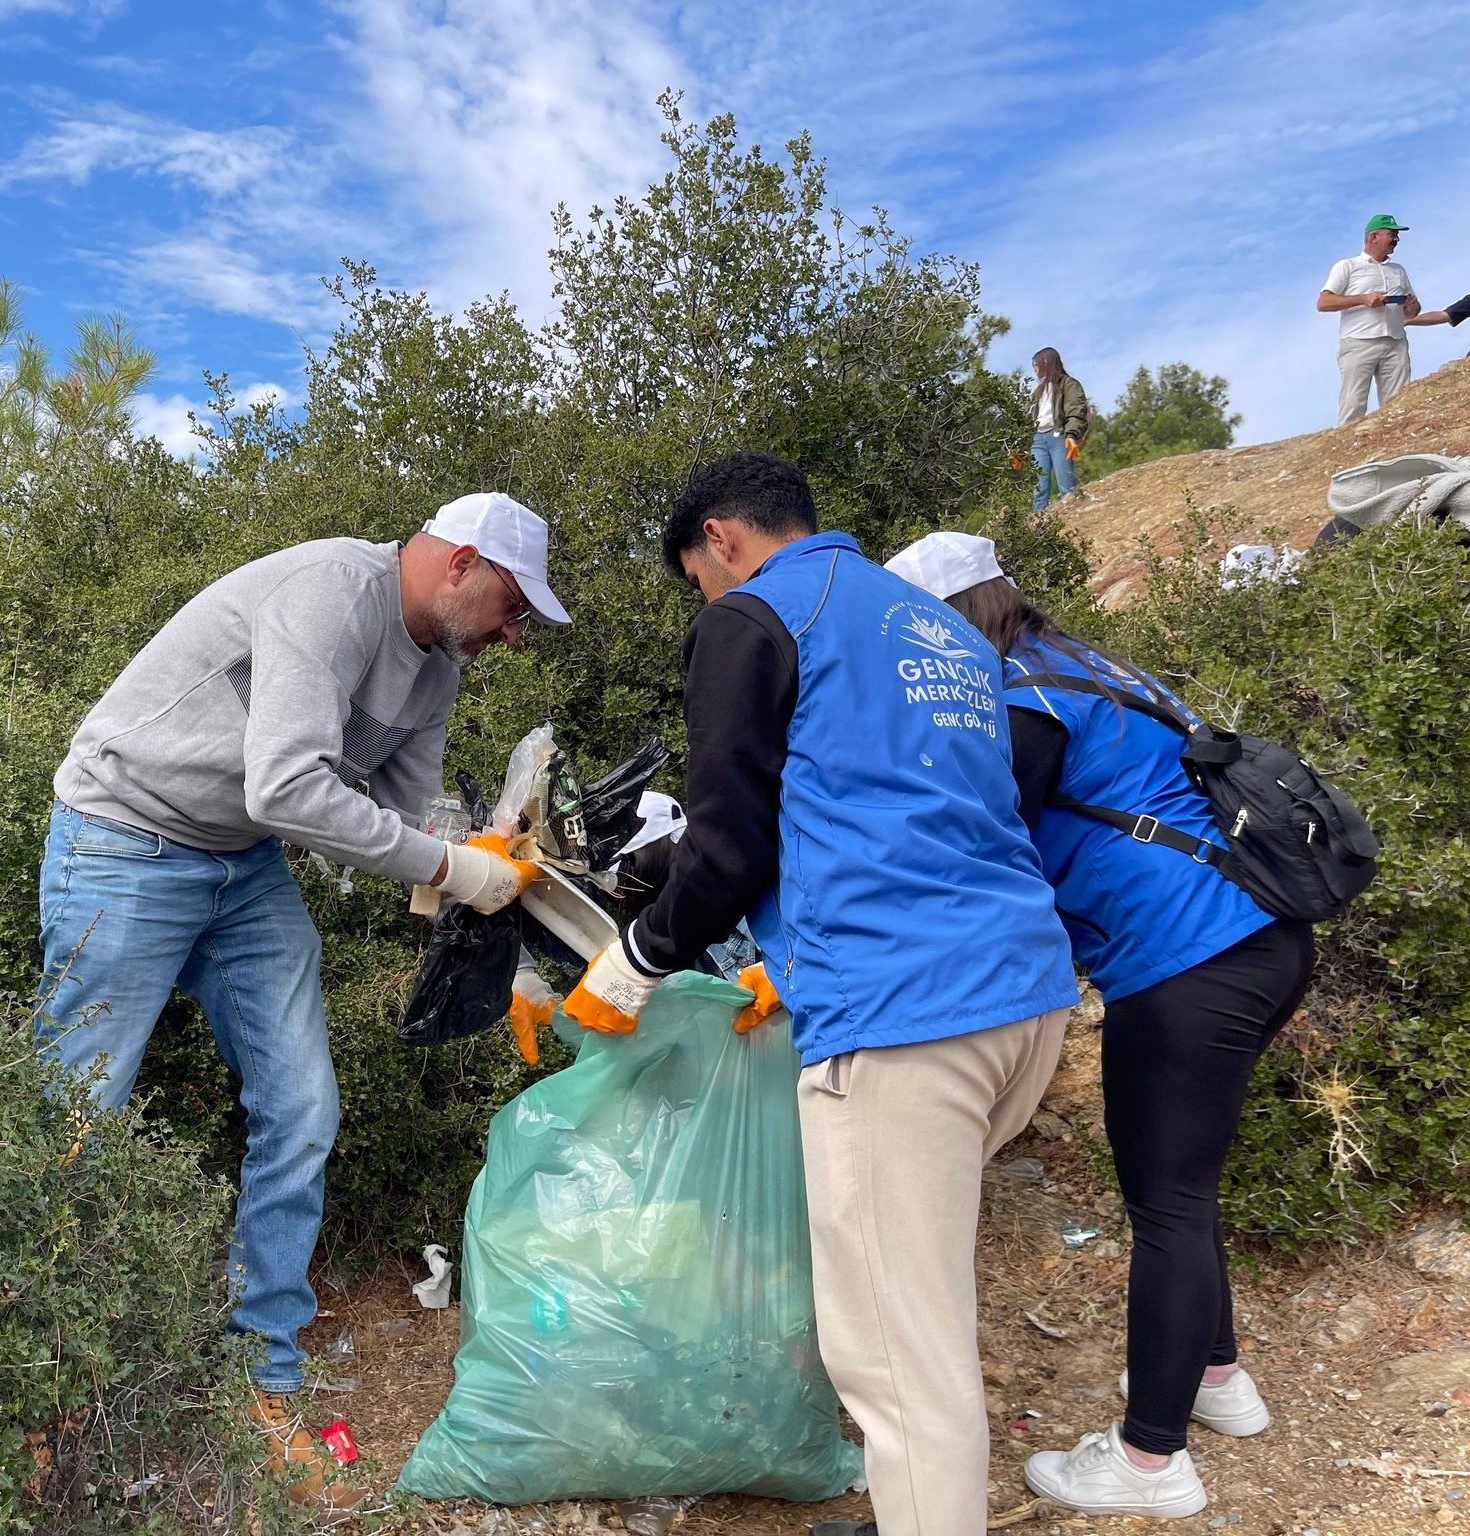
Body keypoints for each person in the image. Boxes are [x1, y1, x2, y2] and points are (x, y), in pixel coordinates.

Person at [562, 451, 1079, 1536]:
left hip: (902, 1017)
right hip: (1024, 993)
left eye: (700, 577)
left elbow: (729, 842)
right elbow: (905, 806)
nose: (709, 599)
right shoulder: (927, 620)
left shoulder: (752, 616)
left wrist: (640, 956)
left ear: (719, 539)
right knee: (917, 1305)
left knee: (896, 1358)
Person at [36, 493, 567, 1503]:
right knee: (70, 1117)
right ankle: (28, 1375)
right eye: (510, 604)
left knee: (302, 1105)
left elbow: (410, 813)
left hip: (238, 866)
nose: (512, 630)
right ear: (457, 563)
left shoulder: (437, 663)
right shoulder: (330, 591)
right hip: (123, 842)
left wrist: (503, 914)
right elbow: (288, 790)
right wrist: (454, 869)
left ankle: (261, 1370)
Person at [885, 531, 1317, 1522]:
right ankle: (1214, 1381)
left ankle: (1149, 1460)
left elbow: (980, 851)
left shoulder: (1015, 703)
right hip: (1260, 939)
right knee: (1181, 1185)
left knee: (1163, 1201)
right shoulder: (1087, 665)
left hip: (1185, 959)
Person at [1318, 215, 1422, 426]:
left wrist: (1411, 307)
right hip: (1359, 342)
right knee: (1354, 402)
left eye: (1397, 235)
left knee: (1398, 404)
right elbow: (1323, 302)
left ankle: (1395, 449)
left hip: (1395, 342)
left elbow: (1412, 312)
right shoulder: (1348, 266)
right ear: (1374, 236)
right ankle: (1348, 452)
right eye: (1392, 234)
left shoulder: (1398, 271)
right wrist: (1363, 299)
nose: (1397, 239)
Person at [1030, 347, 1091, 513]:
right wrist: (1021, 447)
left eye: (1035, 365)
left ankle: (1073, 519)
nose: (1034, 369)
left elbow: (1076, 409)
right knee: (1039, 488)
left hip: (1059, 437)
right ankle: (1039, 526)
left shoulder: (1069, 384)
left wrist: (1071, 434)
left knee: (1066, 484)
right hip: (1037, 441)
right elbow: (1027, 420)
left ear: (1045, 362)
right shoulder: (1038, 392)